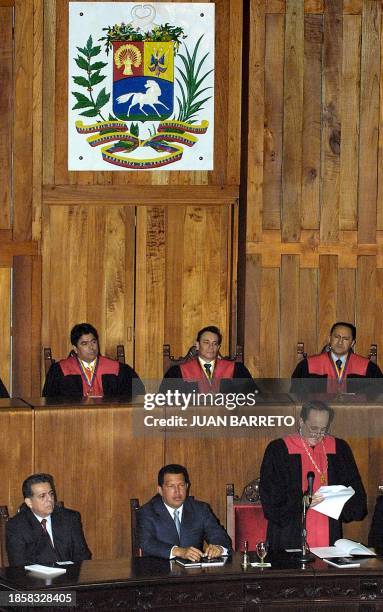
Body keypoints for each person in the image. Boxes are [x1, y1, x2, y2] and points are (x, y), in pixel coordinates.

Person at [260, 401, 367, 554]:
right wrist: (302, 502)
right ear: (301, 421)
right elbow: (271, 502)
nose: (318, 434)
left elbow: (357, 500)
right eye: (314, 428)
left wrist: (338, 502)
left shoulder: (339, 449)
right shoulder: (279, 450)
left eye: (324, 429)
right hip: (288, 538)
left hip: (330, 539)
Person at [137, 464, 231, 560]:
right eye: (171, 486)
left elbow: (218, 534)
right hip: (159, 570)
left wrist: (219, 548)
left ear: (187, 486)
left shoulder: (200, 509)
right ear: (160, 490)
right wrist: (179, 551)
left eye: (181, 485)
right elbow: (146, 543)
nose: (177, 492)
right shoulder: (147, 512)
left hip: (193, 571)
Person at [6, 473, 91, 566]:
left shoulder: (69, 518)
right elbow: (18, 564)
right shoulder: (16, 526)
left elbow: (83, 555)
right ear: (29, 502)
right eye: (42, 496)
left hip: (70, 577)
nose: (49, 499)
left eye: (51, 494)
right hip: (35, 579)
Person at [42, 322, 145, 399]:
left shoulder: (117, 369)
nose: (91, 347)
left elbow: (139, 396)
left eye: (93, 342)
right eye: (84, 344)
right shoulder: (60, 370)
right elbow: (49, 403)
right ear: (75, 348)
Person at [160, 325, 259, 395]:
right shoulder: (177, 372)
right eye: (206, 342)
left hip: (227, 421)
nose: (211, 347)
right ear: (197, 345)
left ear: (218, 347)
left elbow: (254, 397)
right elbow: (163, 401)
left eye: (214, 343)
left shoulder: (237, 370)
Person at [291, 322, 383, 394]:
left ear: (352, 343)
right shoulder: (307, 365)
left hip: (355, 415)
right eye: (336, 337)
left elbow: (377, 397)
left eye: (345, 339)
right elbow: (297, 395)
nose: (340, 342)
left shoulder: (368, 367)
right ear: (329, 338)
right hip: (319, 416)